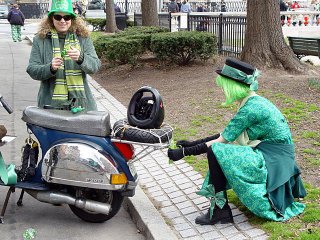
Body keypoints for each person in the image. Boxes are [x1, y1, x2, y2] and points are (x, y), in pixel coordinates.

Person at [168, 58, 306, 225]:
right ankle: (220, 210)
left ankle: (220, 211)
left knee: (216, 151)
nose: (223, 90)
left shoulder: (250, 108)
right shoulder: (253, 101)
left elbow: (221, 141)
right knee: (218, 149)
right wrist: (193, 143)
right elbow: (227, 134)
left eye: (224, 86)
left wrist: (183, 153)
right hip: (276, 155)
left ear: (233, 86)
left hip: (274, 160)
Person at [26, 0, 101, 111]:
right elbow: (32, 69)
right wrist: (50, 68)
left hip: (81, 105)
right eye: (58, 17)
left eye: (66, 17)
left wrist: (81, 58)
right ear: (51, 18)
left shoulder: (83, 38)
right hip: (50, 105)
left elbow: (95, 66)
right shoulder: (40, 40)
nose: (62, 21)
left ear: (72, 19)